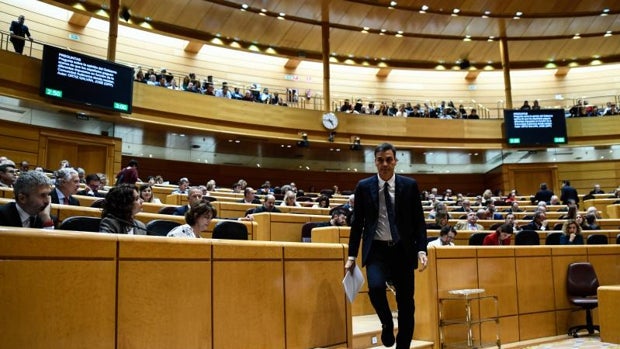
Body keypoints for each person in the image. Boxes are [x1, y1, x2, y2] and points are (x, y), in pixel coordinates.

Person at [345, 143, 428, 349]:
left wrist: (421, 249)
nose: (384, 164)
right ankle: (386, 322)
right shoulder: (364, 187)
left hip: (403, 251)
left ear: (395, 161)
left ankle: (403, 346)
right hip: (377, 250)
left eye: (388, 159)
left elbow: (419, 221)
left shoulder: (409, 185)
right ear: (375, 161)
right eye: (380, 160)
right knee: (374, 288)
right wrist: (352, 256)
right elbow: (357, 224)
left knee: (406, 304)